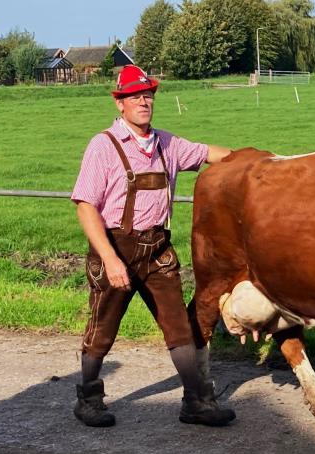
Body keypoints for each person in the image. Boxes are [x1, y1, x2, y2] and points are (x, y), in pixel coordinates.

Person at [70, 64, 235, 427]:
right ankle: (89, 399)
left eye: (148, 95)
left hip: (157, 250)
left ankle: (196, 402)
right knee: (103, 327)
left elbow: (210, 153)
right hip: (115, 248)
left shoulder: (168, 144)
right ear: (120, 104)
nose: (144, 101)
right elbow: (85, 206)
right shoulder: (104, 146)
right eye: (135, 96)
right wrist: (111, 261)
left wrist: (256, 160)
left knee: (179, 327)